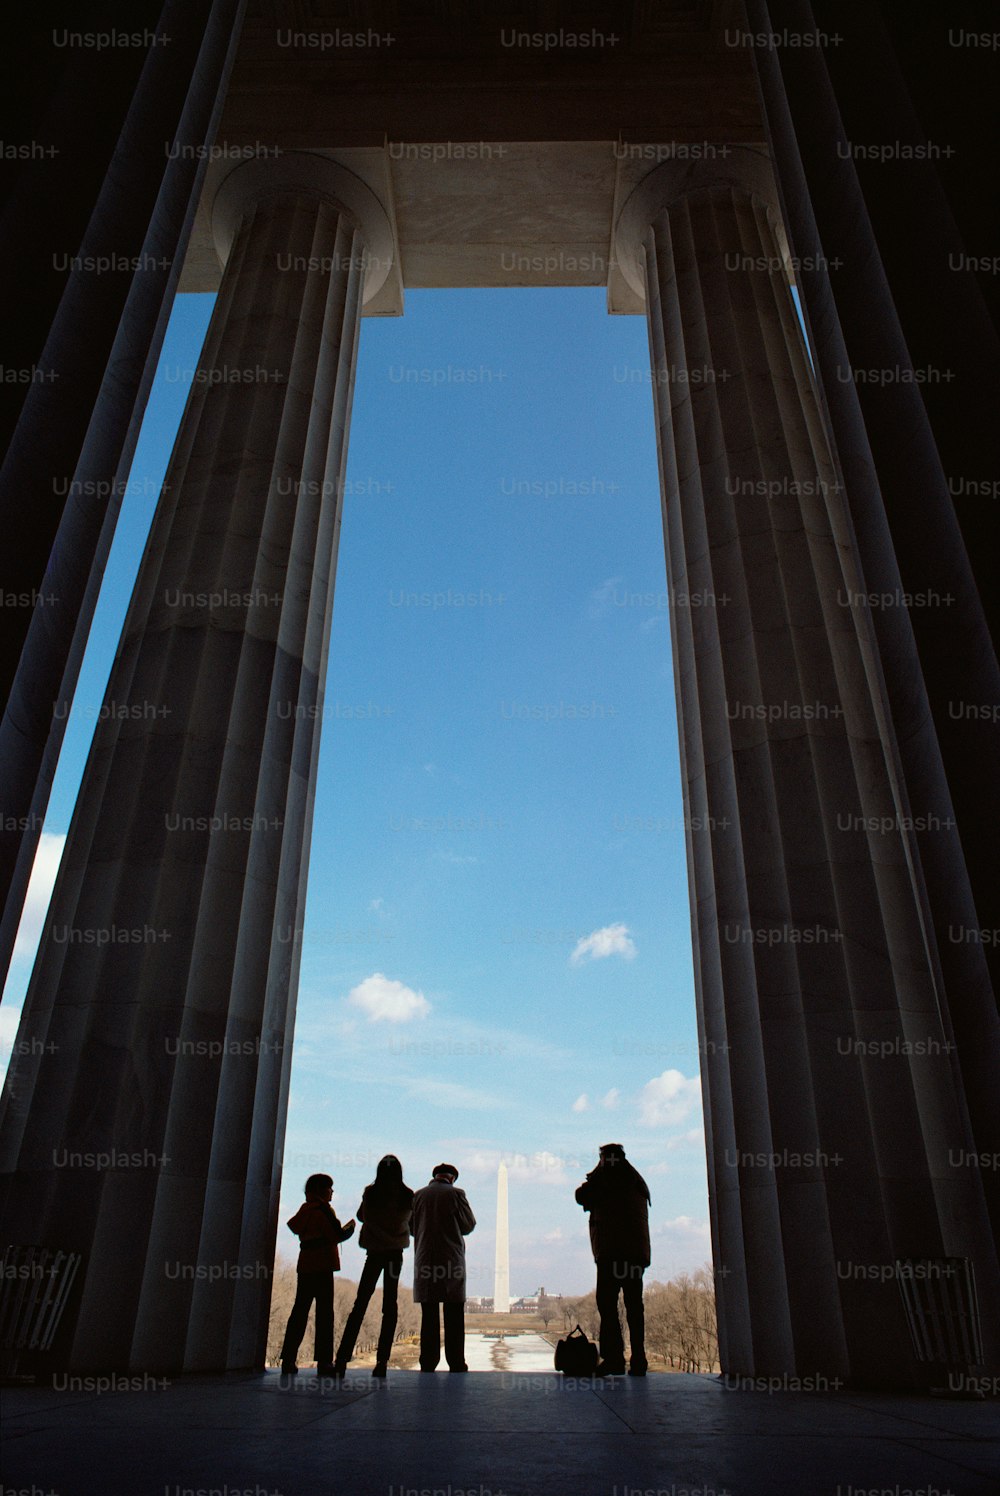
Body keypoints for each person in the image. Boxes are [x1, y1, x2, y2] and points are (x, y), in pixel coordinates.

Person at [332, 1154, 414, 1379]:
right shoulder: (408, 1195)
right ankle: (382, 1361)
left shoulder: (371, 1192)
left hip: (374, 1252)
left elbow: (361, 1216)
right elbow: (412, 1223)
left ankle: (341, 1359)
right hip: (395, 1254)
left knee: (360, 1304)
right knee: (390, 1306)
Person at [575, 1142, 650, 1376]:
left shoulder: (608, 1177)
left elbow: (581, 1195)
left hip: (613, 1253)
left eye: (602, 1157)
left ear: (607, 1158)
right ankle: (638, 1359)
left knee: (607, 1305)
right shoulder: (634, 1178)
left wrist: (596, 1172)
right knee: (634, 1306)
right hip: (634, 1254)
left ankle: (615, 1358)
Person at [279, 1173, 355, 1376]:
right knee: (324, 1315)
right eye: (330, 1188)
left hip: (305, 1265)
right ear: (323, 1190)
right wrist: (349, 1230)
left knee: (299, 1312)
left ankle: (288, 1359)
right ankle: (324, 1363)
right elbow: (336, 1235)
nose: (332, 1192)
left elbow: (294, 1226)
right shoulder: (324, 1210)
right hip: (323, 1266)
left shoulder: (306, 1209)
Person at [411, 1162, 476, 1371]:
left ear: (435, 1176)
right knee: (454, 1314)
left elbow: (411, 1227)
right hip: (451, 1261)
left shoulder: (418, 1196)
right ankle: (456, 1362)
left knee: (429, 1315)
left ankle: (428, 1362)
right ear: (452, 1178)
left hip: (425, 1260)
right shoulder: (457, 1194)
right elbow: (468, 1225)